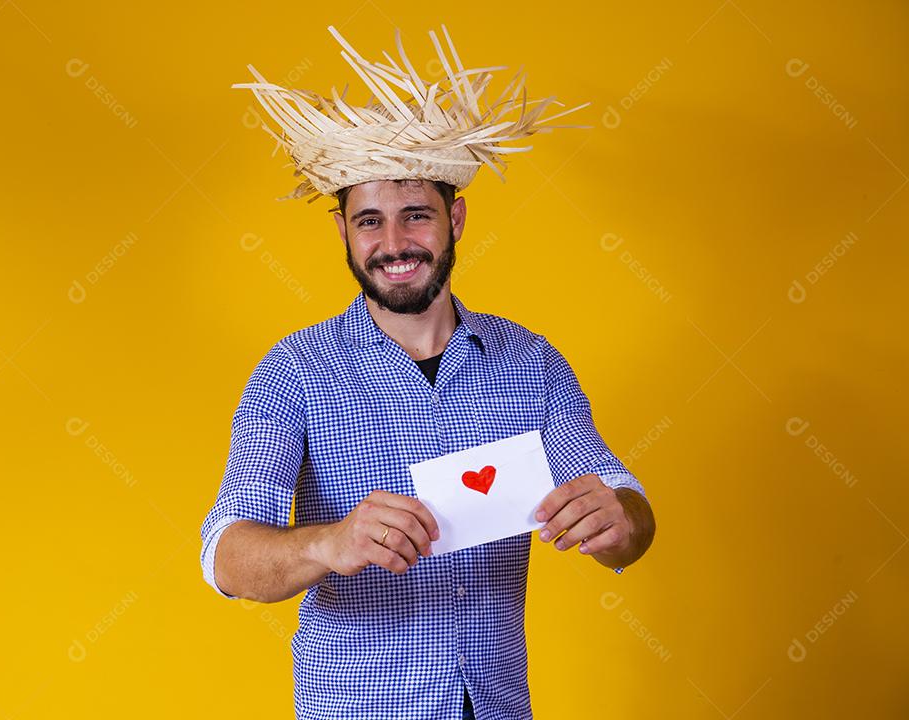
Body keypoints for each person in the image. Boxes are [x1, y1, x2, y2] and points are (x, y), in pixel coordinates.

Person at [201, 25, 656, 720]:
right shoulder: (292, 372)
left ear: (457, 218)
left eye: (416, 216)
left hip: (498, 705)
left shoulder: (531, 363)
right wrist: (330, 540)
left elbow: (626, 505)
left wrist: (617, 521)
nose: (393, 245)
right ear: (344, 234)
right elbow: (229, 559)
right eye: (369, 223)